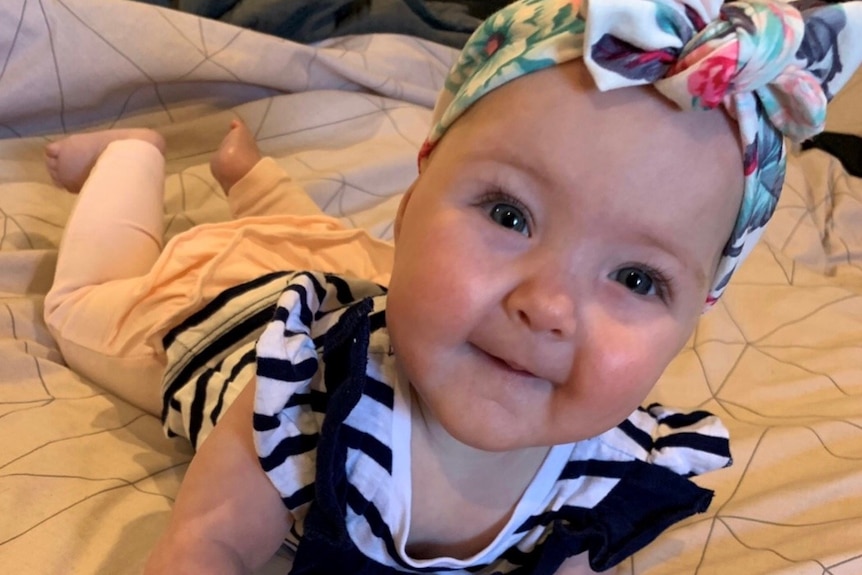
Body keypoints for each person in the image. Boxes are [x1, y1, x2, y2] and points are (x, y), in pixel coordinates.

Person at [41, 0, 862, 574]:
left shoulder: (599, 470)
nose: (547, 304)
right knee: (80, 308)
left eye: (638, 277)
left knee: (342, 248)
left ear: (696, 315)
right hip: (212, 299)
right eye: (509, 213)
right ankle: (132, 157)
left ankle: (252, 179)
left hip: (352, 259)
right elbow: (205, 545)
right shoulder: (302, 396)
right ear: (418, 190)